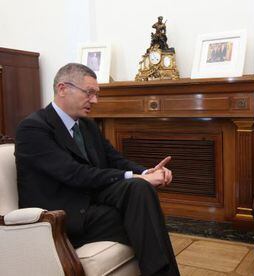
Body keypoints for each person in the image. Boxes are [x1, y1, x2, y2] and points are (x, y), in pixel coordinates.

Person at [15, 63, 180, 276]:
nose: (94, 100)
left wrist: (146, 172)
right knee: (145, 220)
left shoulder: (86, 125)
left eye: (96, 94)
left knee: (140, 191)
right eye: (89, 93)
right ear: (63, 89)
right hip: (61, 215)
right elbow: (74, 173)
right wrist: (134, 176)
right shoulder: (33, 128)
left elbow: (115, 159)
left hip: (91, 202)